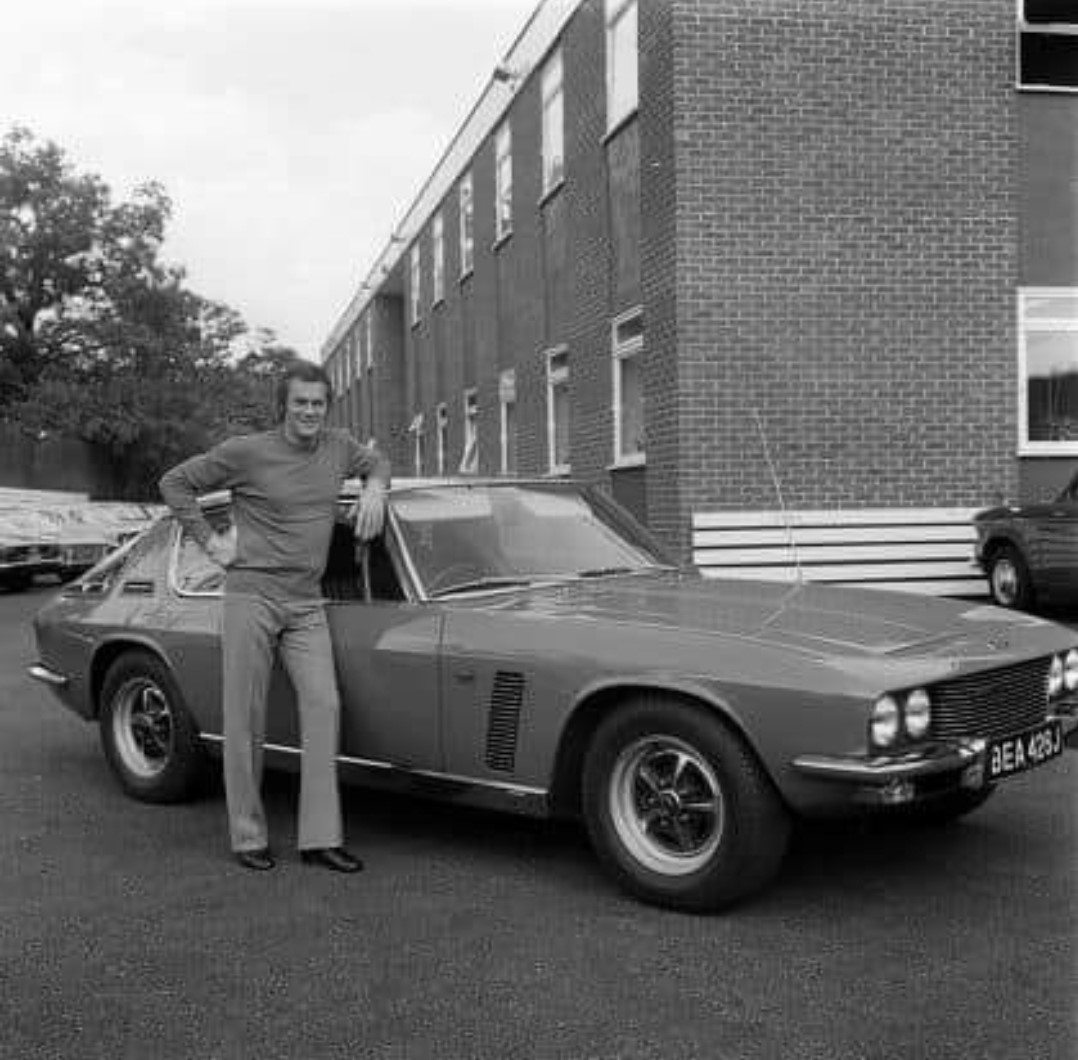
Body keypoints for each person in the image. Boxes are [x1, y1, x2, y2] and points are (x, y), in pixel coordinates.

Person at [159, 359, 390, 873]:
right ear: (283, 406)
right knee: (245, 717)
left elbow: (376, 462)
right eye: (299, 403)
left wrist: (376, 486)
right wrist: (210, 542)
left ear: (327, 406)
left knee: (324, 706)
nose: (309, 411)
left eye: (317, 403)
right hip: (252, 598)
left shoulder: (338, 446)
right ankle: (247, 836)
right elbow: (174, 483)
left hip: (307, 602)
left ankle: (320, 838)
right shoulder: (247, 452)